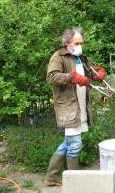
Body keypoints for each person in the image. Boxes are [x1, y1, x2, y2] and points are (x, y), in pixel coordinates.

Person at [44, 27, 107, 186]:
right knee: (75, 144)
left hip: (81, 105)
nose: (80, 45)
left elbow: (90, 74)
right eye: (77, 43)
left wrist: (98, 74)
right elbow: (51, 77)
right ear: (67, 43)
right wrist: (72, 77)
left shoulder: (81, 58)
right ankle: (75, 182)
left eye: (81, 43)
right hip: (68, 107)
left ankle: (51, 178)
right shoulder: (58, 57)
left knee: (68, 144)